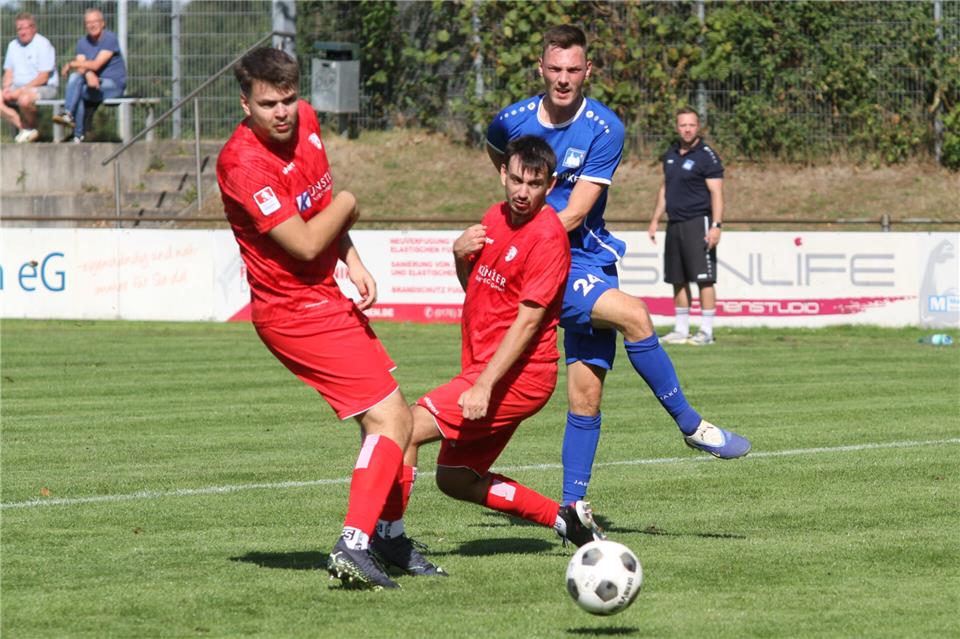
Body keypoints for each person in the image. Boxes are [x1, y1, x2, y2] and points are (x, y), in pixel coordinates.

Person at [486, 25, 750, 507]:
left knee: (585, 396)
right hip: (550, 261)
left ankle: (572, 508)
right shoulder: (511, 121)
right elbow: (499, 154)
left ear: (588, 71)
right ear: (540, 68)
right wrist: (521, 227)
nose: (563, 79)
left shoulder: (606, 128)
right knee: (636, 315)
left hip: (587, 255)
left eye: (572, 70)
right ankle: (692, 425)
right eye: (555, 69)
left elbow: (575, 212)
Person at [216, 47, 413, 591]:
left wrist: (352, 258)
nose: (281, 112)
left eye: (288, 99)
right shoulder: (241, 163)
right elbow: (304, 242)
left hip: (327, 296)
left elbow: (316, 206)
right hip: (292, 311)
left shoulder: (306, 124)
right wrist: (349, 203)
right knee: (392, 420)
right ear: (244, 103)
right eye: (267, 103)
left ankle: (388, 539)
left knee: (391, 421)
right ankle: (355, 545)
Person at [367, 135, 604, 578]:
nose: (521, 191)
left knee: (403, 428)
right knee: (455, 478)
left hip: (518, 378)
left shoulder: (549, 238)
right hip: (486, 369)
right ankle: (564, 519)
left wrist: (484, 385)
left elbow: (528, 323)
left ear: (549, 186)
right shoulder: (493, 218)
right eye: (515, 179)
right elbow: (478, 291)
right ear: (502, 174)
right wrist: (459, 256)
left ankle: (389, 537)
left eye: (533, 184)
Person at [648, 107, 725, 346]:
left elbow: (717, 193)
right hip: (675, 224)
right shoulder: (670, 154)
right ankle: (681, 329)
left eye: (691, 125)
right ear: (676, 127)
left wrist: (716, 225)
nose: (687, 129)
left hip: (698, 222)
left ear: (698, 126)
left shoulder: (706, 156)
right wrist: (655, 219)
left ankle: (706, 331)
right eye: (683, 125)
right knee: (677, 279)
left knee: (704, 279)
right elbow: (665, 188)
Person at [52, 8, 126, 143]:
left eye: (95, 21)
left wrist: (72, 64)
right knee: (76, 84)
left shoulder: (109, 38)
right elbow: (82, 67)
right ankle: (77, 134)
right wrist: (88, 73)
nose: (92, 25)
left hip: (112, 85)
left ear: (103, 23)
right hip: (91, 85)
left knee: (77, 88)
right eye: (88, 22)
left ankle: (72, 122)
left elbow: (96, 64)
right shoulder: (82, 42)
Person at [2, 12, 57, 143]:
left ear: (33, 28)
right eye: (19, 29)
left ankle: (32, 128)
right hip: (18, 88)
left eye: (25, 28)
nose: (22, 32)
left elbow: (43, 77)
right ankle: (26, 129)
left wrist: (22, 90)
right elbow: (8, 73)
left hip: (43, 87)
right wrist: (6, 88)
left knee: (24, 99)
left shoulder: (43, 44)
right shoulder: (12, 45)